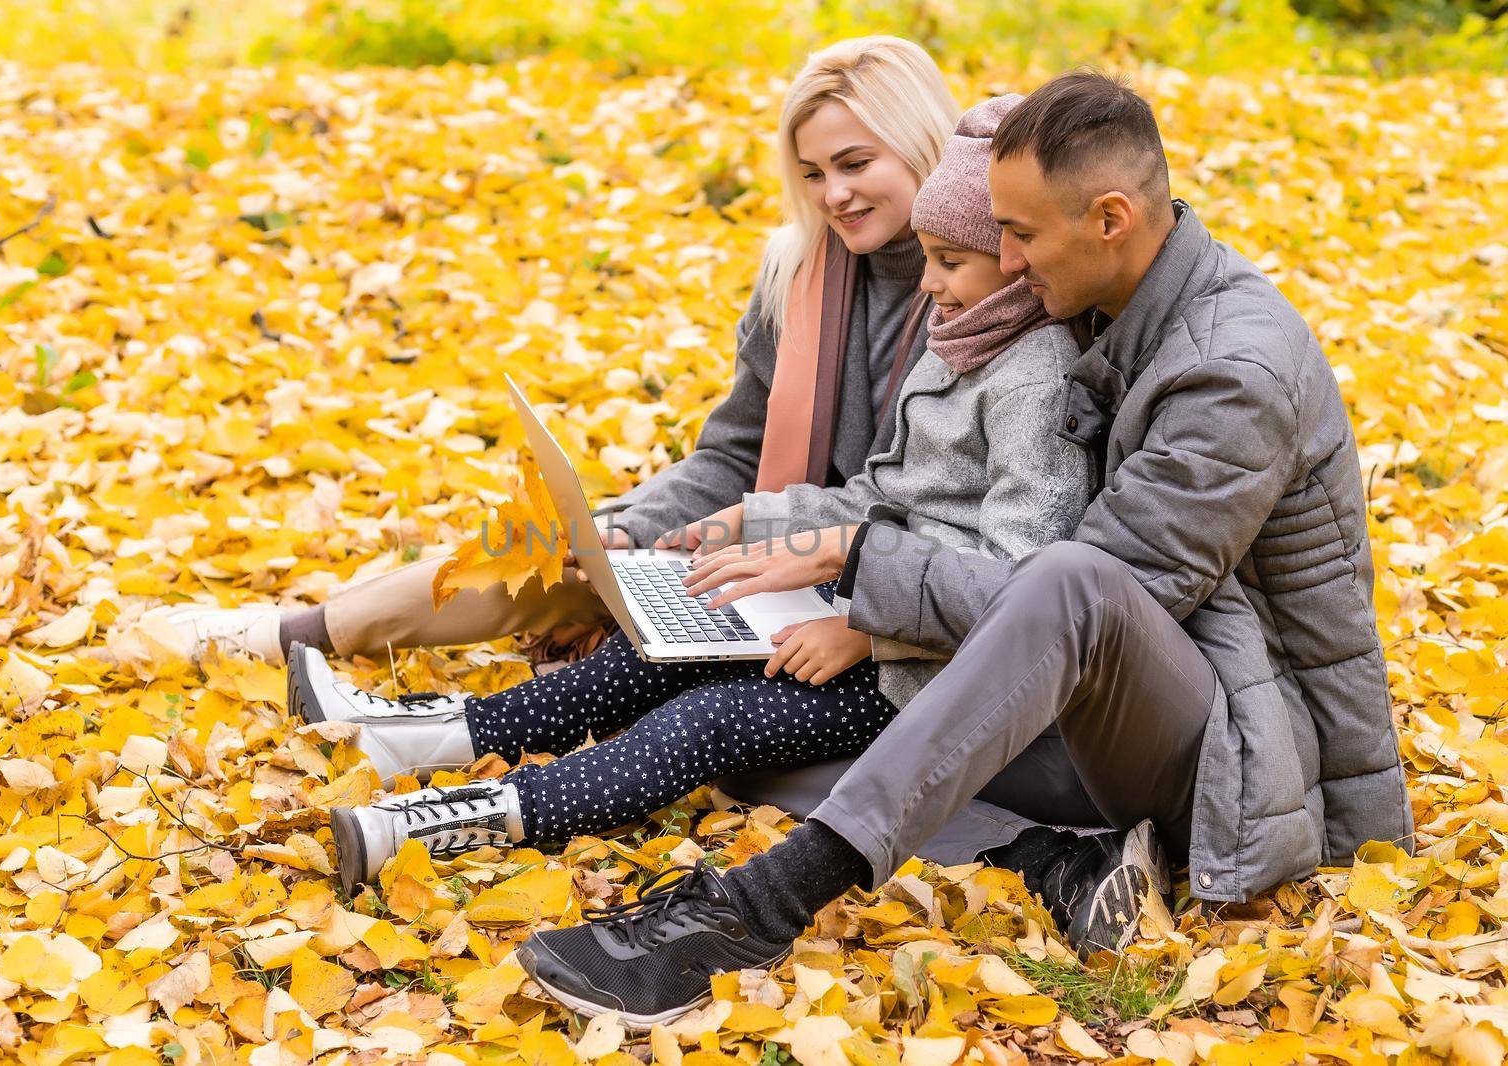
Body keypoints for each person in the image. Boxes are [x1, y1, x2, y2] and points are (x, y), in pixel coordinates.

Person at [510, 70, 1415, 1028]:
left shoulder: (1230, 370)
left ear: (1111, 217)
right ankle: (1053, 859)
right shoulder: (1115, 305)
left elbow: (1085, 608)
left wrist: (857, 564)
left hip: (1242, 747)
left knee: (1073, 581)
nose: (1009, 262)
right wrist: (791, 538)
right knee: (768, 739)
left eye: (1020, 235)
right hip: (1122, 709)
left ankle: (756, 910)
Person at [317, 95, 1095, 899]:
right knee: (647, 658)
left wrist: (865, 634)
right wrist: (756, 524)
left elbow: (1015, 581)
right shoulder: (958, 343)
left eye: (949, 263)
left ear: (1011, 261)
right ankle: (424, 739)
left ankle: (445, 824)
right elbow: (877, 496)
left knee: (706, 722)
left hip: (919, 674)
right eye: (926, 259)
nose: (927, 282)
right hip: (860, 603)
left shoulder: (1034, 380)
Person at [133, 35, 957, 668]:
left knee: (609, 606)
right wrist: (632, 531)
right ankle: (298, 632)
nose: (834, 195)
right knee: (559, 553)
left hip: (857, 585)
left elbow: (943, 508)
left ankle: (308, 635)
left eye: (855, 163)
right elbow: (734, 452)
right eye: (812, 173)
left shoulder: (976, 291)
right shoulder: (800, 270)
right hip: (748, 550)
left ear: (919, 142)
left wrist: (730, 536)